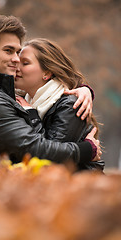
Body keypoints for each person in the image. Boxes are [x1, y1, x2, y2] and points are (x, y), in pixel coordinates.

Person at [0, 14, 101, 166]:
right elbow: (37, 150)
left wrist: (82, 88)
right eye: (8, 51)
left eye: (18, 53)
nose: (16, 60)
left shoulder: (0, 90)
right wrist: (88, 149)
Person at [15, 38, 104, 170]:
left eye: (25, 63)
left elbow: (50, 158)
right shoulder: (23, 101)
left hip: (78, 185)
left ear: (47, 73)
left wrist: (32, 115)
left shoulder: (70, 105)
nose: (16, 67)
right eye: (18, 61)